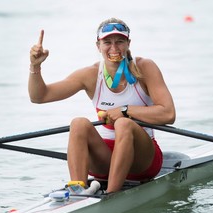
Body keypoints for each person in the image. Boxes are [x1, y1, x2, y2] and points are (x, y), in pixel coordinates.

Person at [29, 18, 176, 193]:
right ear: (98, 46)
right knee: (78, 124)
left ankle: (111, 195)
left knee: (124, 123)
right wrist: (35, 66)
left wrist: (125, 111)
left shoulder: (145, 68)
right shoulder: (91, 74)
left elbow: (168, 114)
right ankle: (77, 190)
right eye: (107, 42)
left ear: (128, 44)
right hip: (104, 160)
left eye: (120, 41)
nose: (114, 48)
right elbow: (40, 96)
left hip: (142, 161)